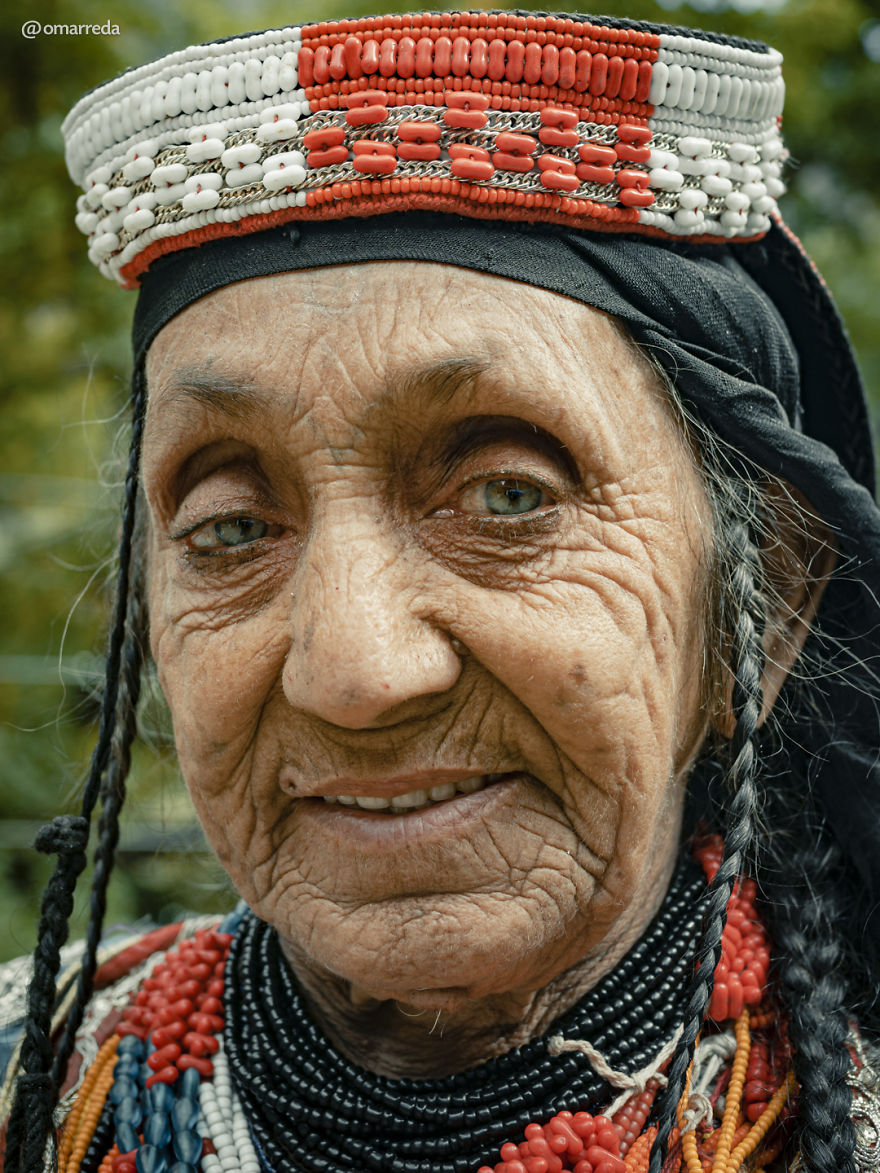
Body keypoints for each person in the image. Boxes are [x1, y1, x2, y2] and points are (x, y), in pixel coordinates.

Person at [1, 9, 879, 1173]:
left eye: (507, 498)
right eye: (231, 528)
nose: (357, 673)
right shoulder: (37, 1088)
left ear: (758, 597)